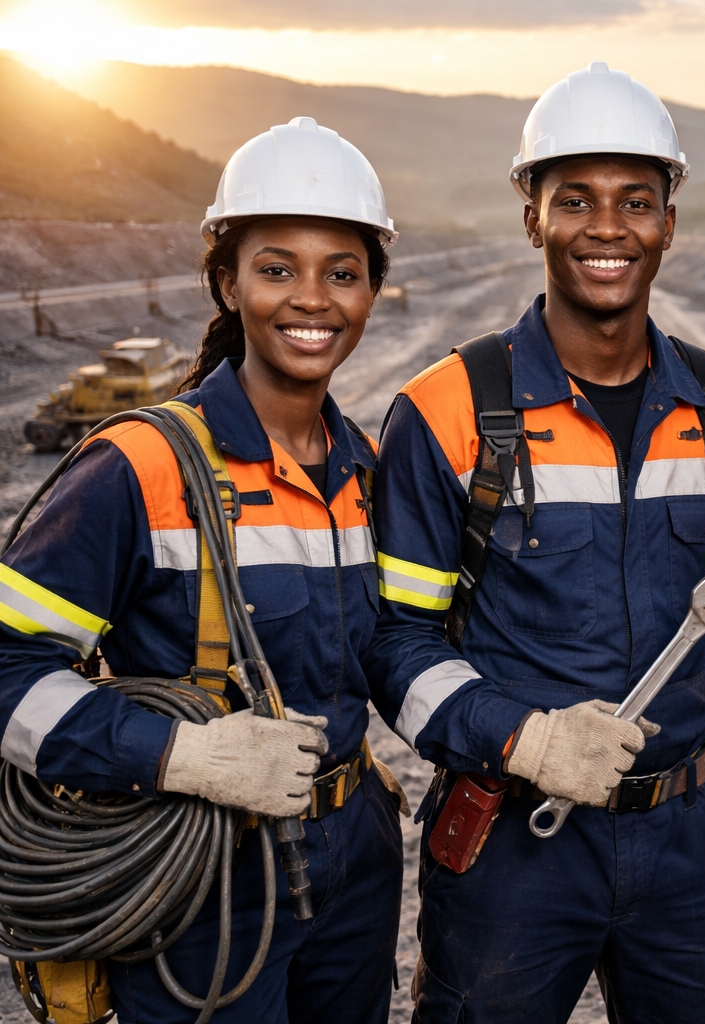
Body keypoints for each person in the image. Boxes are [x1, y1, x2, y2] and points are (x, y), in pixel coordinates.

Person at [366, 62, 705, 1024]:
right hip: (513, 845)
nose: (607, 228)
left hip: (689, 845)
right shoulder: (445, 411)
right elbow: (396, 644)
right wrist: (526, 739)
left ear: (669, 221)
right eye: (575, 200)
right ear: (533, 218)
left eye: (635, 201)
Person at [0, 116, 405, 1023]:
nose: (312, 299)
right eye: (277, 270)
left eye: (342, 273)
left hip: (354, 858)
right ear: (228, 283)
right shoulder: (140, 467)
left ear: (373, 290)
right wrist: (180, 753)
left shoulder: (364, 469)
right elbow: (7, 667)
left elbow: (388, 649)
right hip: (205, 874)